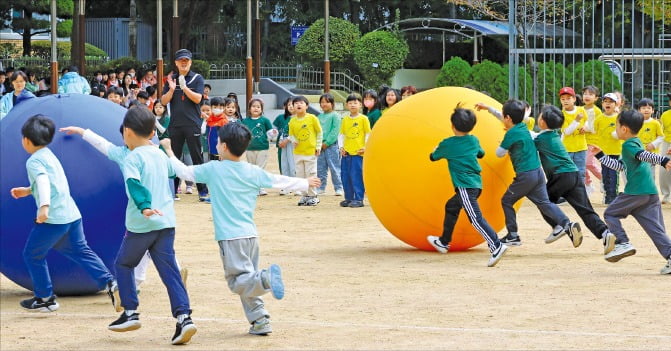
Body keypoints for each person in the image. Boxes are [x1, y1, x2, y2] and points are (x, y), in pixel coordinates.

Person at [161, 122, 320, 335]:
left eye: (217, 142)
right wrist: (304, 182)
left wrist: (169, 150)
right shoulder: (252, 171)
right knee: (247, 279)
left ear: (224, 146)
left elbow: (183, 172)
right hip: (250, 236)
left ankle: (266, 279)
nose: (216, 145)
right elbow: (278, 180)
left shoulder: (214, 169)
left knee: (237, 282)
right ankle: (260, 319)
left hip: (230, 237)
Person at [61, 107, 196, 344]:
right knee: (170, 273)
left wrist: (144, 206)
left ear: (128, 132)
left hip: (141, 225)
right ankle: (184, 318)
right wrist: (83, 131)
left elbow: (134, 183)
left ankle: (130, 312)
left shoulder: (131, 157)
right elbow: (176, 173)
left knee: (123, 264)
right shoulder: (158, 154)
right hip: (166, 224)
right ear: (152, 131)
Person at [10, 115, 118, 312]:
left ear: (26, 140)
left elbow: (43, 181)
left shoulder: (33, 161)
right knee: (80, 251)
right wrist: (27, 191)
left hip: (54, 218)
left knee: (32, 254)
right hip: (72, 215)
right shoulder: (49, 155)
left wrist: (44, 207)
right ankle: (111, 283)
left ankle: (45, 298)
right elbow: (53, 183)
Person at [426, 108, 509, 266]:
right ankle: (444, 241)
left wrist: (436, 149)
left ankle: (496, 246)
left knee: (475, 219)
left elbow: (432, 157)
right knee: (451, 206)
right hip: (476, 184)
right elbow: (481, 154)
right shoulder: (473, 140)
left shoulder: (447, 144)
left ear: (452, 126)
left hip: (465, 187)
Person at [496, 99, 583, 247]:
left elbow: (499, 153)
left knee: (506, 201)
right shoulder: (523, 127)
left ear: (508, 118)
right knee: (544, 202)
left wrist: (505, 145)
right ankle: (566, 224)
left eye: (503, 116)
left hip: (525, 176)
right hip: (538, 173)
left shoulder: (511, 134)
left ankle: (513, 235)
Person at [593, 110, 671, 274]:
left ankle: (623, 243)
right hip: (649, 192)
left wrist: (663, 160)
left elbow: (644, 156)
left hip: (636, 191)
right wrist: (600, 155)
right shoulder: (635, 143)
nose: (616, 128)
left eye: (617, 125)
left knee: (610, 214)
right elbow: (621, 166)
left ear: (624, 129)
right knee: (655, 228)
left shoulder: (630, 145)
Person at [533, 105, 616, 254]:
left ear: (542, 122)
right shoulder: (555, 136)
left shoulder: (541, 139)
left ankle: (562, 226)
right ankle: (605, 233)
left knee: (543, 201)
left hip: (560, 176)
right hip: (574, 175)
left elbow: (528, 136)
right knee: (585, 210)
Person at [160, 49, 209, 202]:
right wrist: (173, 89)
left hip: (192, 124)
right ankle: (172, 190)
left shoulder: (197, 78)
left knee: (197, 157)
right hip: (175, 124)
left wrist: (185, 87)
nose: (183, 63)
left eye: (186, 61)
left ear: (190, 62)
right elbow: (163, 101)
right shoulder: (171, 79)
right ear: (175, 63)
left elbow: (198, 99)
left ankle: (202, 191)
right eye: (181, 60)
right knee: (173, 158)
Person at [289, 95, 323, 206]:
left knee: (311, 173)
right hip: (298, 152)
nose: (298, 105)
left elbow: (319, 132)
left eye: (301, 103)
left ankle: (313, 196)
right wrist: (293, 140)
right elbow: (291, 134)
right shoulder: (292, 121)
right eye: (296, 103)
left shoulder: (312, 118)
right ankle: (304, 195)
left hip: (310, 152)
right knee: (300, 174)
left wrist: (318, 146)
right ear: (293, 107)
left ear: (307, 106)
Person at [338, 94, 370, 208]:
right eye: (350, 103)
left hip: (358, 153)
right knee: (345, 176)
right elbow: (341, 134)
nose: (352, 105)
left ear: (360, 105)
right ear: (346, 105)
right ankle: (349, 198)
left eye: (355, 103)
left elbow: (368, 133)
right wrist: (341, 147)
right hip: (346, 154)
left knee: (356, 176)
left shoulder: (363, 119)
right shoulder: (345, 119)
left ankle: (359, 199)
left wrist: (365, 147)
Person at [594, 93, 622, 204]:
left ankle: (613, 196)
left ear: (616, 104)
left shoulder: (618, 118)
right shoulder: (599, 118)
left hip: (615, 151)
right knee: (605, 174)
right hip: (603, 152)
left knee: (613, 174)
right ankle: (607, 195)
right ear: (602, 104)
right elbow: (594, 131)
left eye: (611, 102)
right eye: (605, 101)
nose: (608, 103)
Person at [241, 98, 274, 195]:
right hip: (249, 148)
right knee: (252, 168)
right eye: (253, 106)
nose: (256, 108)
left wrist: (273, 134)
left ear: (262, 109)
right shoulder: (245, 121)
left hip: (262, 147)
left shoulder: (265, 120)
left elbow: (270, 133)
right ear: (249, 109)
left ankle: (261, 187)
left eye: (258, 107)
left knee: (260, 168)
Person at [557, 87, 588, 183]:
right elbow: (566, 132)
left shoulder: (581, 110)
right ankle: (567, 193)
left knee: (581, 171)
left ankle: (580, 193)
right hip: (567, 149)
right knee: (567, 172)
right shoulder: (561, 114)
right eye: (563, 99)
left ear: (574, 99)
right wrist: (576, 120)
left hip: (581, 147)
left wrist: (586, 127)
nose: (565, 101)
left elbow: (587, 122)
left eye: (568, 98)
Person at [316, 93, 343, 196]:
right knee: (320, 168)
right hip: (320, 146)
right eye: (322, 102)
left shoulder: (335, 116)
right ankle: (321, 187)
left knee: (334, 167)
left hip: (331, 146)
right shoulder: (319, 116)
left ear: (332, 103)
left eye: (327, 102)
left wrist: (327, 143)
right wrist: (319, 144)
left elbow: (335, 131)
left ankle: (339, 187)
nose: (324, 104)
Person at [579, 86, 603, 194]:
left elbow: (595, 127)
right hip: (581, 141)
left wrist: (586, 128)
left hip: (593, 141)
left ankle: (603, 179)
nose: (587, 96)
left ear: (596, 98)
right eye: (585, 94)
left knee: (588, 162)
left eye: (590, 94)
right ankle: (588, 184)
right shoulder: (580, 109)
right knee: (581, 164)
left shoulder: (597, 111)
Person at [636, 98, 664, 181]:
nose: (646, 110)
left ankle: (650, 192)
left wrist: (653, 144)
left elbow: (661, 137)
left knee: (650, 175)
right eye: (643, 108)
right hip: (639, 153)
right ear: (639, 110)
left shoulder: (655, 123)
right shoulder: (636, 122)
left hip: (651, 154)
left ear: (652, 110)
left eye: (649, 108)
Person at [273, 97, 296, 195]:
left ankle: (295, 186)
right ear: (285, 106)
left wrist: (287, 140)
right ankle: (285, 186)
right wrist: (273, 135)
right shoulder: (280, 118)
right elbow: (274, 129)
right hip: (281, 145)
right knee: (283, 164)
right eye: (289, 104)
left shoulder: (298, 118)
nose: (291, 106)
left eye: (293, 104)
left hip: (293, 145)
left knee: (293, 165)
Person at [204, 97, 229, 161]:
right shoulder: (209, 119)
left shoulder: (224, 121)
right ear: (211, 107)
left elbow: (226, 138)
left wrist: (223, 152)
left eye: (220, 108)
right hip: (210, 149)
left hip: (220, 151)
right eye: (215, 107)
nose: (217, 109)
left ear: (223, 108)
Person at [660, 102, 671, 204]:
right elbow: (661, 131)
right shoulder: (665, 115)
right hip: (667, 142)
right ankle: (667, 194)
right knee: (664, 169)